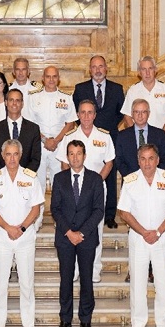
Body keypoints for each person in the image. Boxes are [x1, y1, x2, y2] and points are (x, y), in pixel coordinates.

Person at [118, 144, 165, 327]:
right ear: (138, 161)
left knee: (163, 282)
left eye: (151, 158)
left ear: (158, 160)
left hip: (162, 238)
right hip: (139, 238)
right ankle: (138, 323)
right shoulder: (130, 181)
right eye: (143, 159)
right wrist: (144, 232)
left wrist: (158, 231)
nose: (147, 163)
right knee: (138, 282)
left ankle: (163, 324)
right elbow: (124, 212)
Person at [0, 139, 45, 327]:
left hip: (25, 238)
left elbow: (36, 208)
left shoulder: (30, 178)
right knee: (0, 283)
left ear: (20, 155)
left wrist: (22, 227)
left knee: (27, 282)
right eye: (8, 154)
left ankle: (28, 322)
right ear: (3, 156)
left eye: (15, 154)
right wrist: (8, 228)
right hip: (2, 237)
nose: (12, 158)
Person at [55, 100, 115, 283]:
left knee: (95, 228)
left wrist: (95, 183)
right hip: (71, 189)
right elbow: (64, 163)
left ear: (95, 115)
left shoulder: (104, 136)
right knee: (72, 227)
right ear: (78, 115)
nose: (87, 116)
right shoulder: (70, 135)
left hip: (95, 189)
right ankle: (73, 270)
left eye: (90, 112)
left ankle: (94, 268)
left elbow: (109, 162)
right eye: (83, 112)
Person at [50, 140, 105, 327]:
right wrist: (69, 232)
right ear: (67, 157)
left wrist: (81, 233)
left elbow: (99, 210)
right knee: (65, 280)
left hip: (87, 238)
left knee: (86, 280)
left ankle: (86, 320)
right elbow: (54, 209)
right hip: (65, 238)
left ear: (85, 155)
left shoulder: (95, 179)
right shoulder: (59, 178)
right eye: (71, 154)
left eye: (79, 153)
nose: (75, 157)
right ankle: (65, 320)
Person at [115, 98, 165, 283]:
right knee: (134, 231)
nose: (140, 115)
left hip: (156, 187)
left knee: (153, 225)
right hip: (132, 187)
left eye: (143, 112)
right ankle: (135, 269)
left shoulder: (159, 134)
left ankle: (153, 269)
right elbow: (119, 161)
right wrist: (135, 180)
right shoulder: (122, 136)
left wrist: (152, 178)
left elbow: (164, 160)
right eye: (136, 112)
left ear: (148, 113)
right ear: (131, 114)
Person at [72, 55, 125, 229]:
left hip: (110, 137)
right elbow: (75, 113)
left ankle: (109, 214)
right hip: (85, 137)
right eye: (94, 67)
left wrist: (107, 130)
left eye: (101, 66)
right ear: (90, 69)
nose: (98, 70)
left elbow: (120, 113)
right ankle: (82, 210)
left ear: (106, 69)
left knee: (109, 176)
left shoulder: (117, 89)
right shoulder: (80, 89)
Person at [0, 88, 42, 230]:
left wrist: (22, 177)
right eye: (11, 100)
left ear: (22, 103)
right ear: (5, 102)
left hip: (26, 185)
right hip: (2, 183)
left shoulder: (33, 128)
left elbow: (35, 158)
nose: (14, 103)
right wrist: (5, 177)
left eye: (18, 100)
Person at [25, 66, 77, 201]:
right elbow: (30, 124)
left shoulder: (66, 98)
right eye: (48, 76)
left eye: (54, 76)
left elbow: (70, 123)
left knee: (59, 183)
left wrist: (56, 141)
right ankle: (37, 219)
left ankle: (58, 220)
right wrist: (45, 140)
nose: (51, 79)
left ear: (59, 79)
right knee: (38, 183)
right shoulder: (33, 97)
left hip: (58, 146)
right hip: (38, 146)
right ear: (43, 78)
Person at [120, 56, 165, 134]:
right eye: (144, 69)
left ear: (155, 70)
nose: (147, 73)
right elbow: (127, 117)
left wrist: (160, 136)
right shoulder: (133, 90)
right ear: (139, 72)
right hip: (139, 141)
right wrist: (137, 135)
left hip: (160, 140)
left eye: (150, 68)